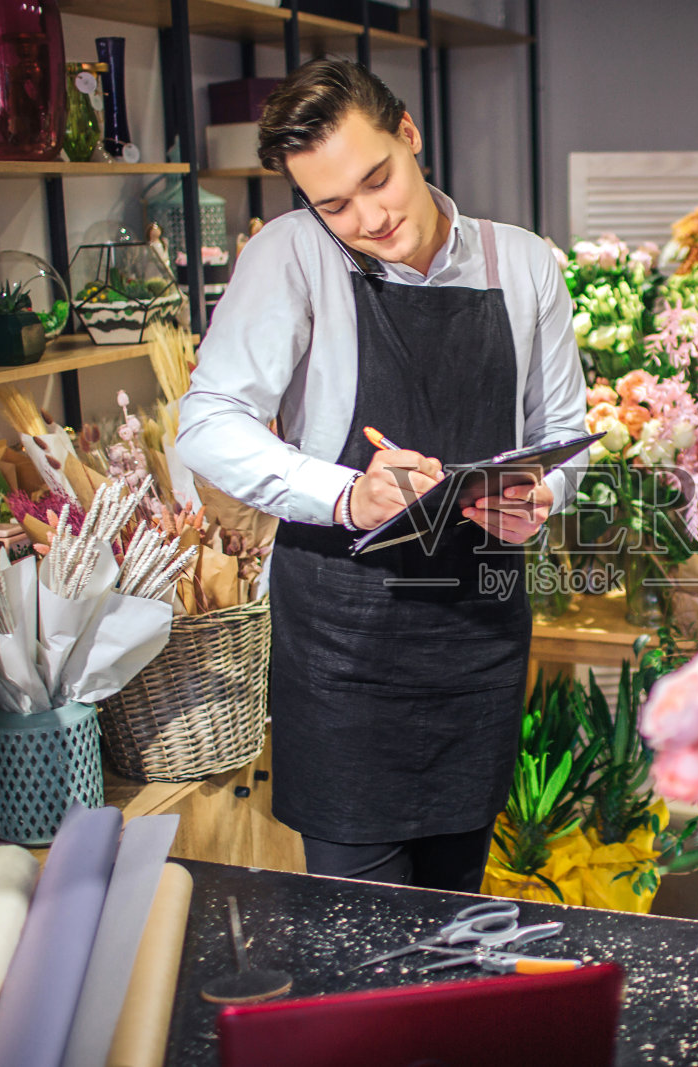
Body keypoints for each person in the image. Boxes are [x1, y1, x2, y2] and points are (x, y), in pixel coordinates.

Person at [175, 58, 586, 893]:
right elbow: (206, 420)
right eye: (334, 204)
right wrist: (345, 492)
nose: (368, 217)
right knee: (361, 933)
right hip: (344, 646)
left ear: (410, 134)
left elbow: (562, 433)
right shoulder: (294, 256)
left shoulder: (524, 264)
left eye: (378, 179)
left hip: (476, 633)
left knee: (455, 906)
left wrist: (540, 500)